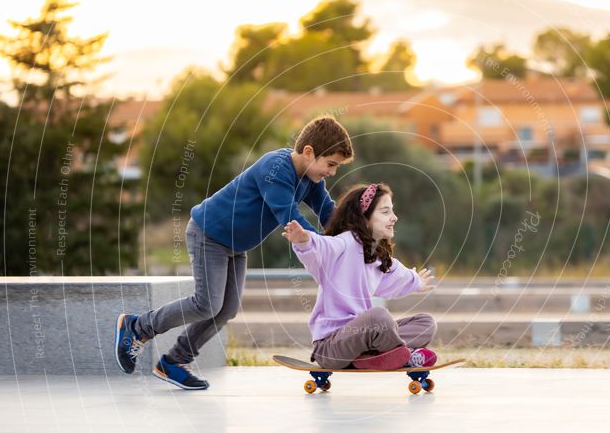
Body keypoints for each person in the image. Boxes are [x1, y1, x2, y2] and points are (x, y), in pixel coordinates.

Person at [114, 115, 354, 389]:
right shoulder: (276, 168)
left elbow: (327, 211)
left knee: (226, 309)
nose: (332, 173)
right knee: (206, 304)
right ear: (309, 152)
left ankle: (173, 362)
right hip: (209, 234)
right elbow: (289, 216)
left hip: (235, 245)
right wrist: (323, 244)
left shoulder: (311, 180)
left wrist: (353, 237)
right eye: (331, 164)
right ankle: (137, 327)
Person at [282, 182, 438, 370]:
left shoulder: (378, 255)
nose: (394, 218)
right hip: (331, 347)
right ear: (364, 217)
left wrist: (416, 282)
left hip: (364, 341)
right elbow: (323, 247)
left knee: (425, 322)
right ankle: (407, 356)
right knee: (378, 317)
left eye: (393, 211)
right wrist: (304, 241)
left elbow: (398, 275)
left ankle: (375, 357)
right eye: (386, 211)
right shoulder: (344, 243)